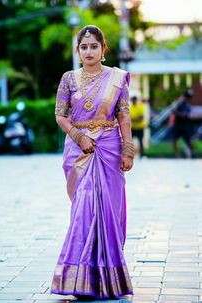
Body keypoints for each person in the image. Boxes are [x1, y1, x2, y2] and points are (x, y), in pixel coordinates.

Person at [51, 25, 134, 300]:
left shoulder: (117, 78)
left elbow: (124, 116)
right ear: (78, 51)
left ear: (103, 49)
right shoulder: (68, 79)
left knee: (108, 212)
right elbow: (60, 115)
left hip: (109, 149)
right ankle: (80, 279)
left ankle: (107, 278)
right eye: (84, 47)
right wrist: (79, 136)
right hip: (79, 150)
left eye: (94, 46)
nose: (89, 51)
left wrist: (128, 150)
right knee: (83, 209)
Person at [172, 89, 194, 158]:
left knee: (188, 141)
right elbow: (173, 111)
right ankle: (176, 155)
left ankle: (193, 153)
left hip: (185, 126)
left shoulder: (188, 106)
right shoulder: (179, 104)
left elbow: (184, 115)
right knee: (174, 140)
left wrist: (177, 113)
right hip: (178, 125)